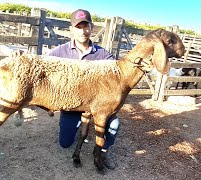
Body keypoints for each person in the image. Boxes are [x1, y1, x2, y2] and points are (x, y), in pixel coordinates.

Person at [48, 9, 120, 170]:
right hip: (72, 106)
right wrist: (19, 55)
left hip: (97, 105)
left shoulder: (102, 54)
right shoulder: (60, 51)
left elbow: (118, 70)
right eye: (78, 27)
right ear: (72, 29)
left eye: (86, 26)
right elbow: (42, 62)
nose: (83, 31)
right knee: (65, 143)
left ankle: (103, 150)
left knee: (114, 124)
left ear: (91, 27)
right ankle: (74, 129)